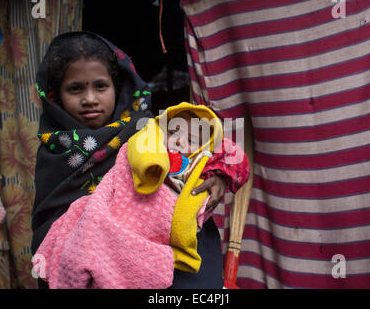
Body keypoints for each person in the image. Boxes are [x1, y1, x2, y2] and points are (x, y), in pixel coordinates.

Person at [31, 31, 247, 289]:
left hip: (166, 254)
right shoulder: (56, 151)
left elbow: (226, 150)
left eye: (100, 86)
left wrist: (220, 175)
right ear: (55, 96)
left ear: (118, 86)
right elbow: (50, 227)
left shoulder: (151, 130)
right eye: (75, 88)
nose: (89, 99)